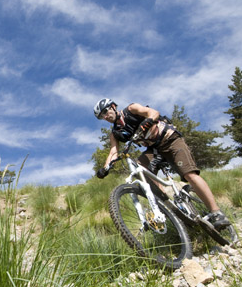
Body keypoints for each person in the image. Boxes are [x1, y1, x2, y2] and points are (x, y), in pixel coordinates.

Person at [93, 98, 230, 230]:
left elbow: (154, 113)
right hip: (154, 149)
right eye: (101, 117)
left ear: (113, 107)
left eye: (105, 112)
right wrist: (105, 168)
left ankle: (216, 212)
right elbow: (113, 151)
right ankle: (168, 203)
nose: (105, 117)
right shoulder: (115, 133)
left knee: (190, 175)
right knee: (139, 168)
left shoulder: (131, 109)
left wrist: (147, 122)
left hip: (169, 139)